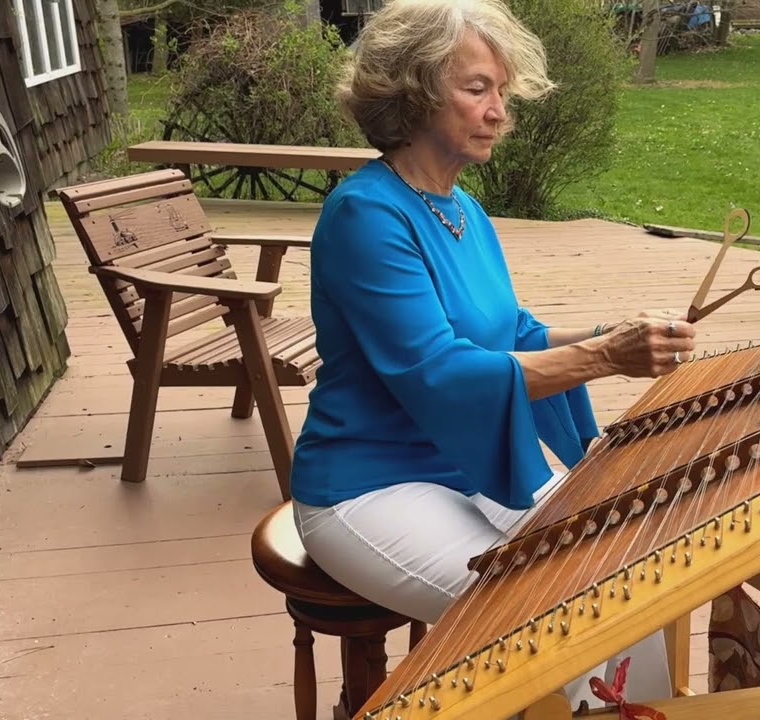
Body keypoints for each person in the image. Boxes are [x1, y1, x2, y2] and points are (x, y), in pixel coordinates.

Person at [289, 0, 696, 711]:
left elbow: (517, 338)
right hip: (367, 487)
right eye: (477, 88)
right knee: (561, 606)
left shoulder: (462, 210)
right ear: (413, 92)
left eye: (502, 91)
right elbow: (439, 373)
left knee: (630, 572)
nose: (499, 110)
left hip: (466, 463)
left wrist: (623, 333)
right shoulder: (364, 215)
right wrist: (606, 356)